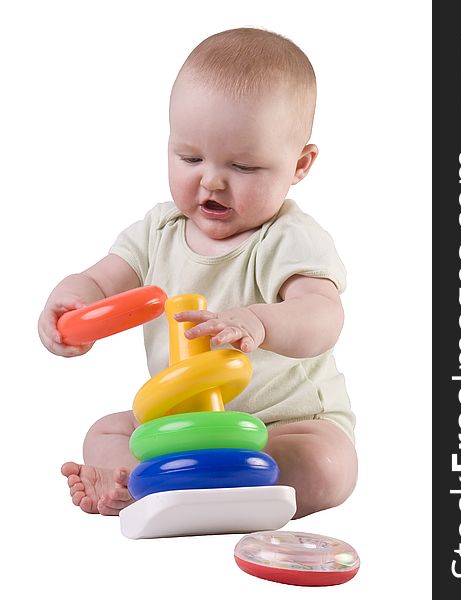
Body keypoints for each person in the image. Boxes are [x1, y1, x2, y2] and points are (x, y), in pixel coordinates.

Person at [38, 27, 357, 520]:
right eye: (189, 157)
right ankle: (134, 481)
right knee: (104, 432)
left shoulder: (288, 237)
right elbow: (101, 282)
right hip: (182, 424)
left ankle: (202, 487)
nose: (211, 179)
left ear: (299, 164)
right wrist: (70, 304)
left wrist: (260, 322)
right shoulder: (158, 231)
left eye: (245, 166)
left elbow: (322, 315)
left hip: (281, 423)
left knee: (327, 466)